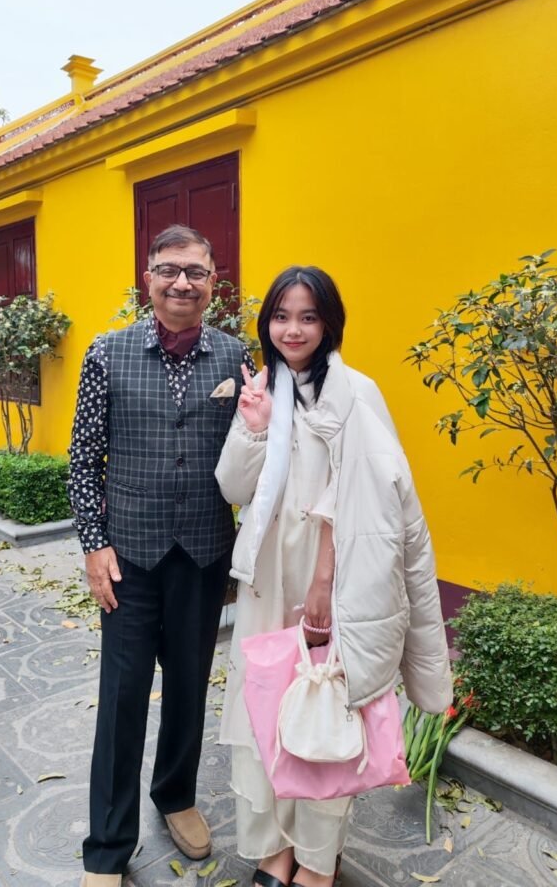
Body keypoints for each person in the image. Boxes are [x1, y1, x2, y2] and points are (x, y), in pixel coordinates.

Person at [215, 266, 452, 887]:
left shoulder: (355, 394)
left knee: (326, 711)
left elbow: (367, 497)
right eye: (281, 316)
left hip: (332, 579)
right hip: (267, 577)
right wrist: (255, 427)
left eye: (308, 316)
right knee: (266, 709)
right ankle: (273, 848)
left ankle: (317, 861)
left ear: (329, 324)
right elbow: (234, 489)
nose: (292, 330)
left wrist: (324, 583)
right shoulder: (265, 389)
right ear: (266, 323)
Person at [69, 224, 256, 887]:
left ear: (212, 282)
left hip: (203, 556)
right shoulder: (107, 352)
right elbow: (82, 460)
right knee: (121, 698)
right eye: (169, 270)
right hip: (130, 559)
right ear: (147, 278)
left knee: (188, 688)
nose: (183, 283)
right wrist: (94, 545)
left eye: (196, 272)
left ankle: (175, 795)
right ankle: (108, 845)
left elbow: (253, 450)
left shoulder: (235, 355)